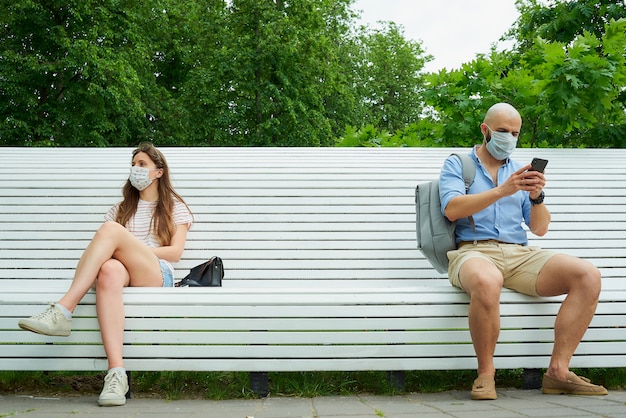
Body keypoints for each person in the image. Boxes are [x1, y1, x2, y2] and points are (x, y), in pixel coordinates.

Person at [439, 103, 607, 401]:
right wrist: (504, 190)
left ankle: (558, 372)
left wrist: (536, 196)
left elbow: (539, 229)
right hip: (473, 252)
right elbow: (452, 209)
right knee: (488, 281)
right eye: (502, 131)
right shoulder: (458, 164)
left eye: (515, 133)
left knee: (588, 275)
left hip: (519, 254)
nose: (509, 137)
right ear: (485, 130)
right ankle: (486, 375)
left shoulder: (519, 172)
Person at [18, 142, 193, 407]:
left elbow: (176, 252)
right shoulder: (120, 209)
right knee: (108, 270)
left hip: (156, 273)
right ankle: (116, 374)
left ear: (158, 172)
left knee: (111, 232)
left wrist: (133, 248)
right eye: (133, 165)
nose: (136, 169)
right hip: (121, 270)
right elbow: (105, 255)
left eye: (142, 164)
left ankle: (64, 309)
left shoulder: (174, 207)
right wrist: (124, 250)